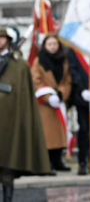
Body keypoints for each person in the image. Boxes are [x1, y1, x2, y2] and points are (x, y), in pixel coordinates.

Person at [0, 27, 51, 202]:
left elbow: (25, 95)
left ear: (7, 40)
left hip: (12, 120)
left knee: (8, 164)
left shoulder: (19, 64)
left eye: (1, 38)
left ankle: (8, 198)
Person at [30, 34, 72, 173]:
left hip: (59, 103)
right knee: (47, 135)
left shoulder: (64, 61)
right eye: (49, 44)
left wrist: (61, 94)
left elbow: (67, 81)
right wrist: (48, 97)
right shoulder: (39, 61)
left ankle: (58, 160)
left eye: (55, 44)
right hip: (45, 104)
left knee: (60, 134)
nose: (52, 47)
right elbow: (36, 80)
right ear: (45, 46)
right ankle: (46, 163)